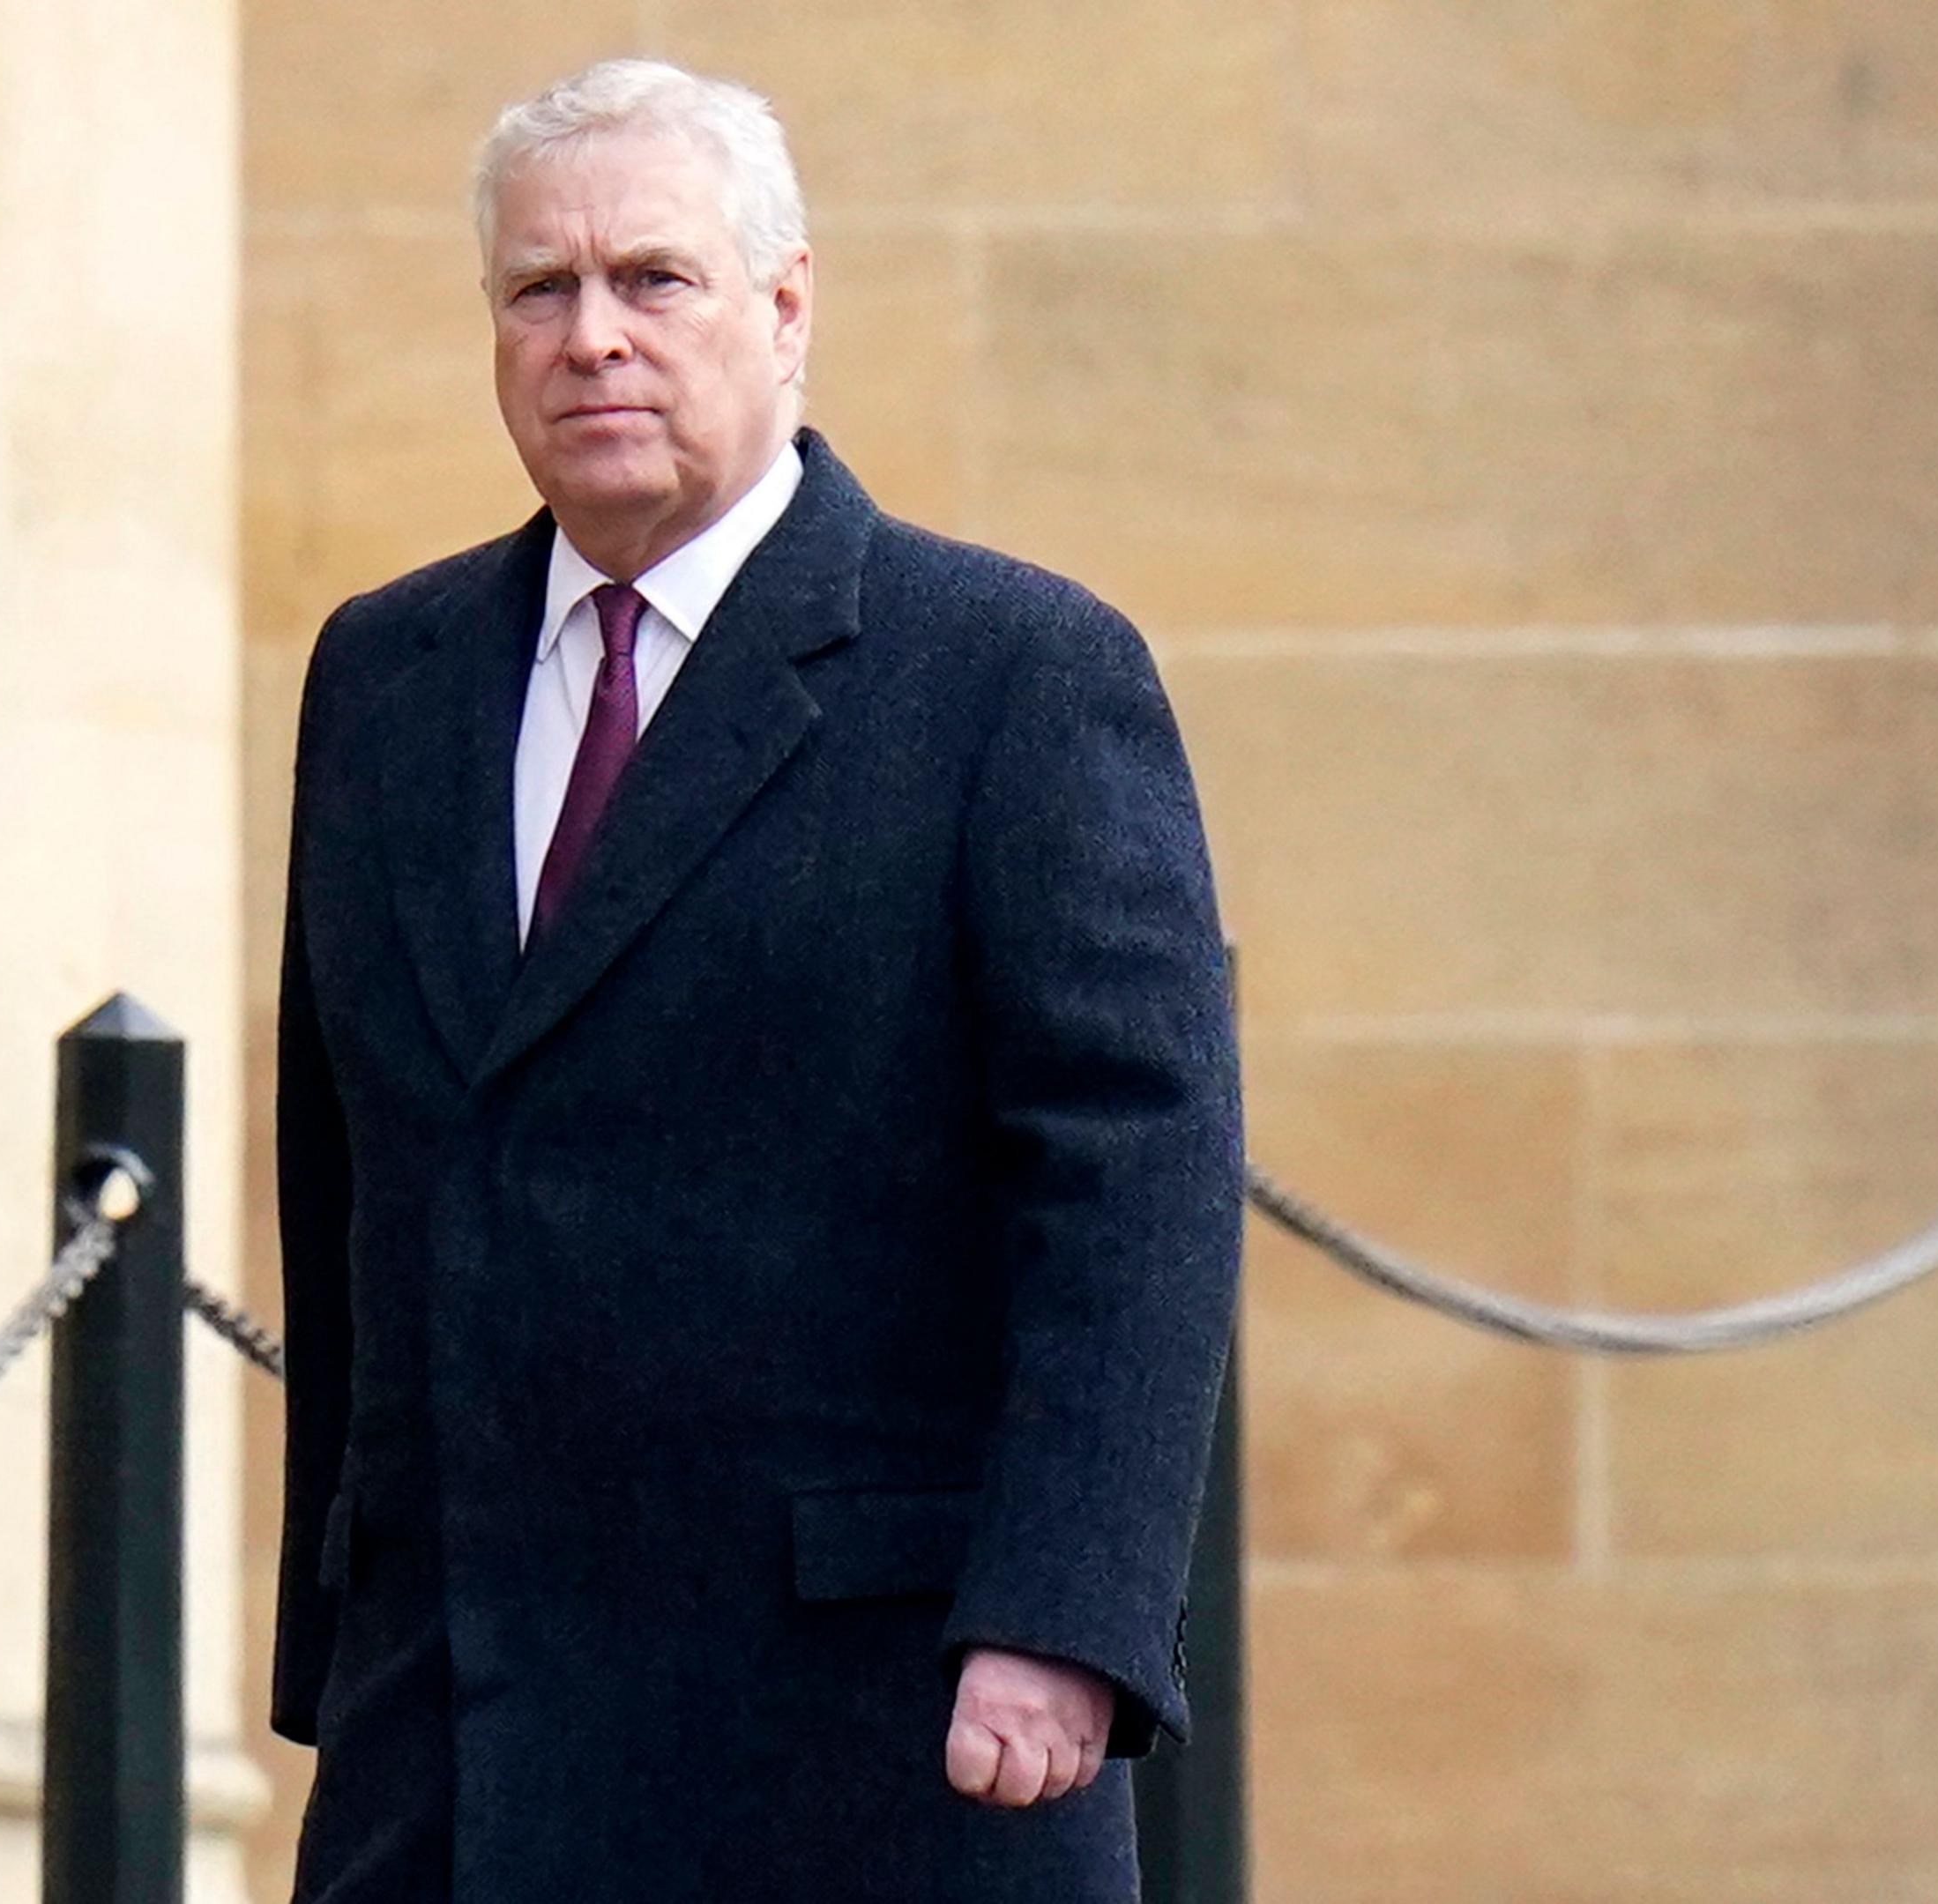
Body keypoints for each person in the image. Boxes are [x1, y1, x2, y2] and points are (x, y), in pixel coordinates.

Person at [266, 56, 1242, 1903]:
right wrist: (345, 1619)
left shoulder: (1010, 672)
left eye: (656, 280)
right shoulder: (384, 677)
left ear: (787, 310)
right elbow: (354, 1170)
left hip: (881, 1734)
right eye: (540, 292)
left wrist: (1068, 1614)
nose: (592, 339)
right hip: (458, 1731)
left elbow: (1135, 1176)